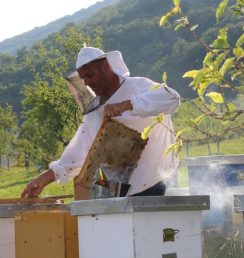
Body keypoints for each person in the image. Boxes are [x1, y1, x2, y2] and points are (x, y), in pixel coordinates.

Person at [21, 46, 180, 198]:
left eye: (89, 76)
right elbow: (80, 151)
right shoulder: (95, 110)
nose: (86, 83)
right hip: (120, 190)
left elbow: (172, 98)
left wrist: (126, 105)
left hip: (158, 181)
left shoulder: (138, 86)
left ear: (105, 67)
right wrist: (44, 178)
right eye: (82, 78)